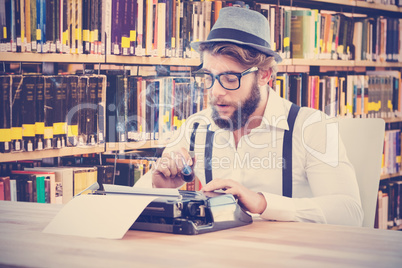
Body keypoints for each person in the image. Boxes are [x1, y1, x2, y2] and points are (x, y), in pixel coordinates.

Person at [135, 6, 363, 226]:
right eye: (209, 77)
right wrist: (159, 188)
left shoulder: (312, 127)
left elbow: (349, 212)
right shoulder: (196, 126)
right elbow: (132, 203)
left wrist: (263, 203)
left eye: (230, 79)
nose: (215, 92)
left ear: (264, 75)